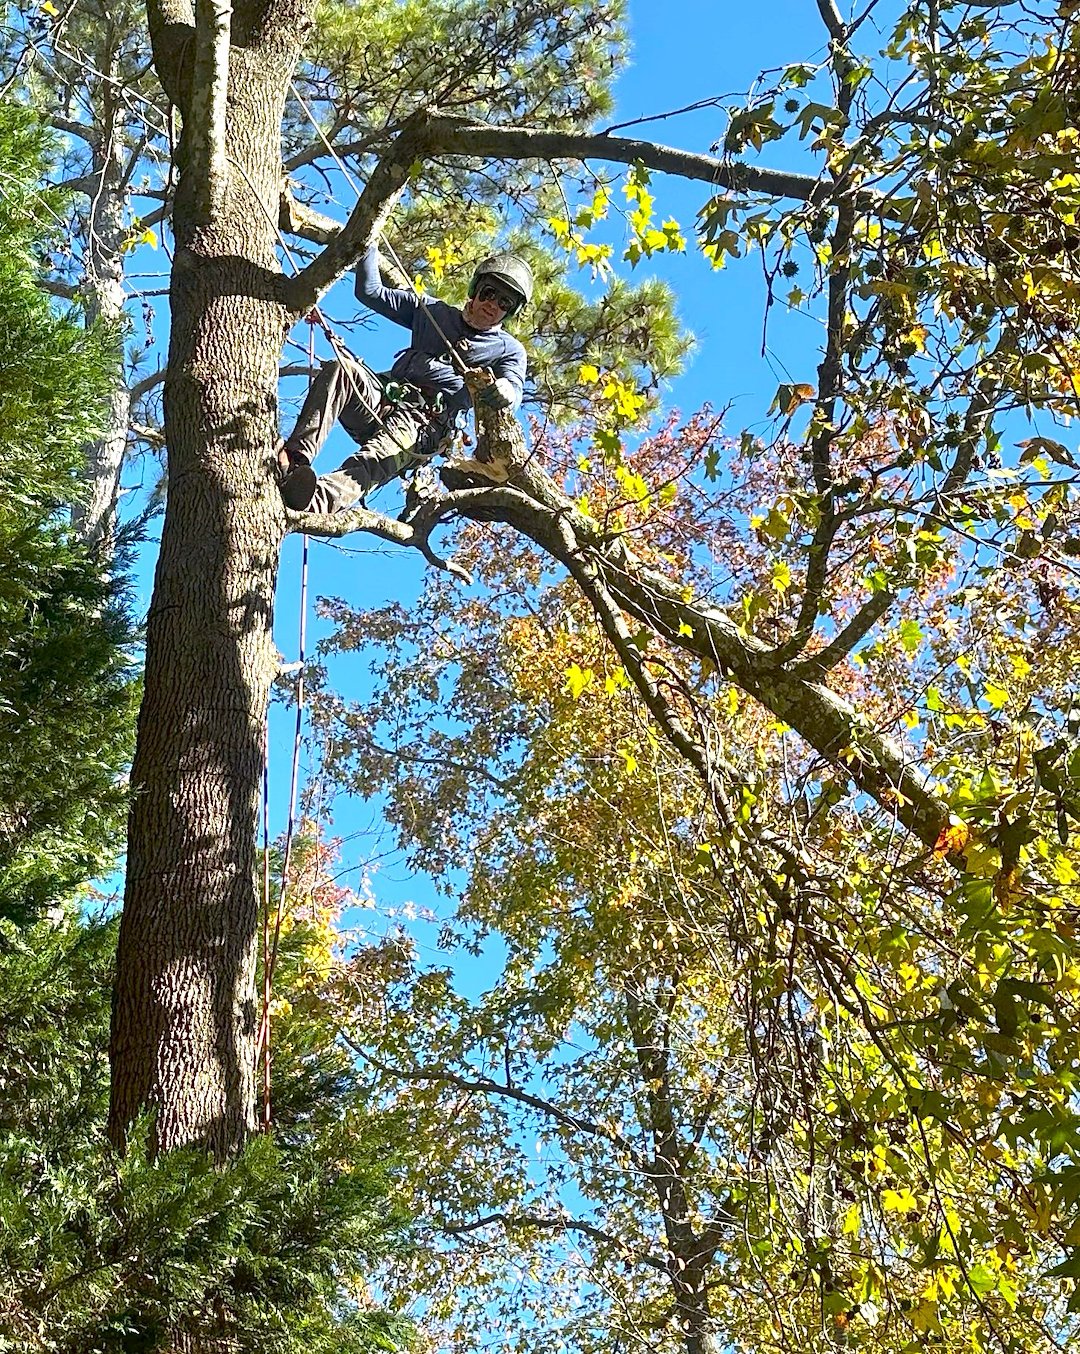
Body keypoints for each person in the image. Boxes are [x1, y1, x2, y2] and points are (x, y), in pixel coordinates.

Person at [278, 245, 533, 513]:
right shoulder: (432, 311)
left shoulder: (509, 349)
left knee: (372, 460)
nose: (493, 304)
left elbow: (513, 391)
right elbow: (371, 292)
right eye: (489, 293)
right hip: (383, 399)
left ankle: (312, 502)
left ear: (510, 311)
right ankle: (295, 461)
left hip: (423, 424)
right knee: (342, 370)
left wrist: (506, 391)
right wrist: (368, 244)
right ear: (475, 289)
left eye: (505, 302)